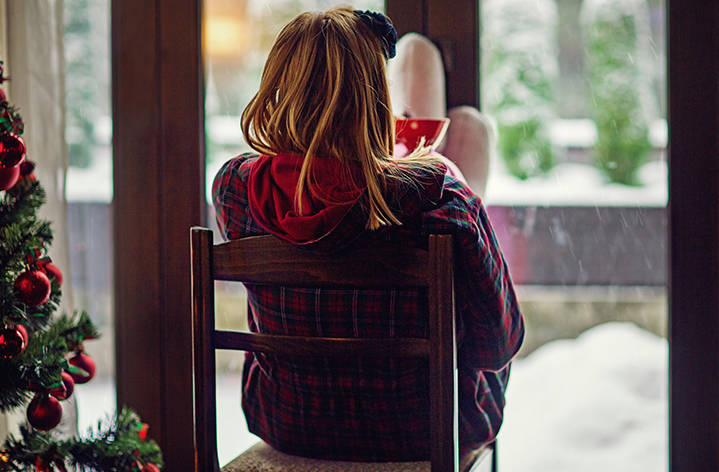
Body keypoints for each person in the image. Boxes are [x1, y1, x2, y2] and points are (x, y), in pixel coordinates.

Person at [212, 6, 524, 463]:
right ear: (377, 97)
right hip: (426, 430)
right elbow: (499, 342)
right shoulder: (440, 197)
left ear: (276, 86)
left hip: (288, 422)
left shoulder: (234, 190)